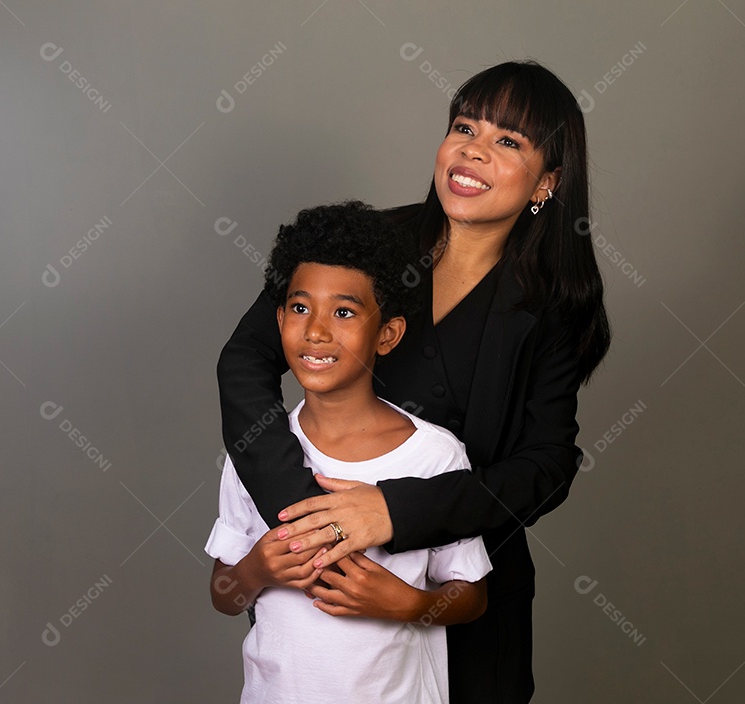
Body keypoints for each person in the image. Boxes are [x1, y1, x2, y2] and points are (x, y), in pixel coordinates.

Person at [217, 60, 611, 702]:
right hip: (323, 606)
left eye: (507, 141)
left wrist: (390, 514)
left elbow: (548, 464)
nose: (472, 150)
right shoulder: (367, 243)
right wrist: (306, 521)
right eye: (463, 126)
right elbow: (243, 363)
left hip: (468, 599)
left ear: (547, 180)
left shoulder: (556, 304)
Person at [206, 201, 493, 704]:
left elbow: (471, 597)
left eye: (343, 311)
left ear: (387, 334)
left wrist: (408, 604)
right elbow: (224, 595)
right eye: (300, 308)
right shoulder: (254, 451)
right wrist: (259, 570)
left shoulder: (434, 456)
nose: (316, 330)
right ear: (278, 320)